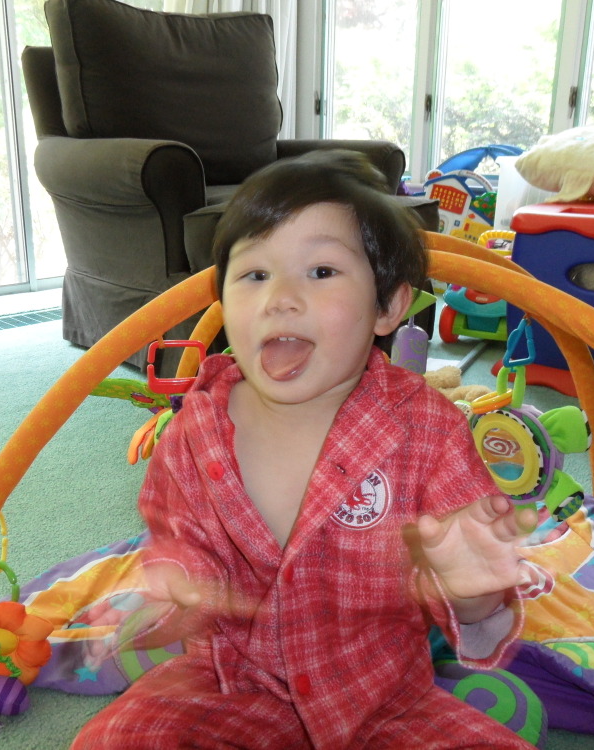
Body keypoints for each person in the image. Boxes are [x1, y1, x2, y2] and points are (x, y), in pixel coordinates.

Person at [73, 150, 535, 749]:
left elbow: (475, 593)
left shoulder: (428, 429)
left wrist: (474, 587)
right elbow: (181, 548)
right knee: (120, 739)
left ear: (388, 306)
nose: (281, 298)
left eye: (320, 271)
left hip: (381, 696)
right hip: (229, 685)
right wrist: (168, 594)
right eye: (254, 275)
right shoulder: (196, 431)